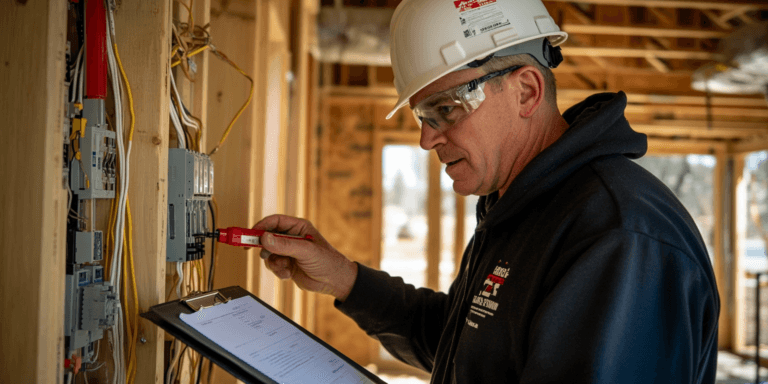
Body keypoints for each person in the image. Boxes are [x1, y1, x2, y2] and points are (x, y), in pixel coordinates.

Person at [254, 0, 720, 382]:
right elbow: (463, 349)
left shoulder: (617, 235)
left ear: (526, 92)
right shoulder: (516, 207)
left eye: (446, 108)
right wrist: (344, 278)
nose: (427, 138)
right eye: (423, 115)